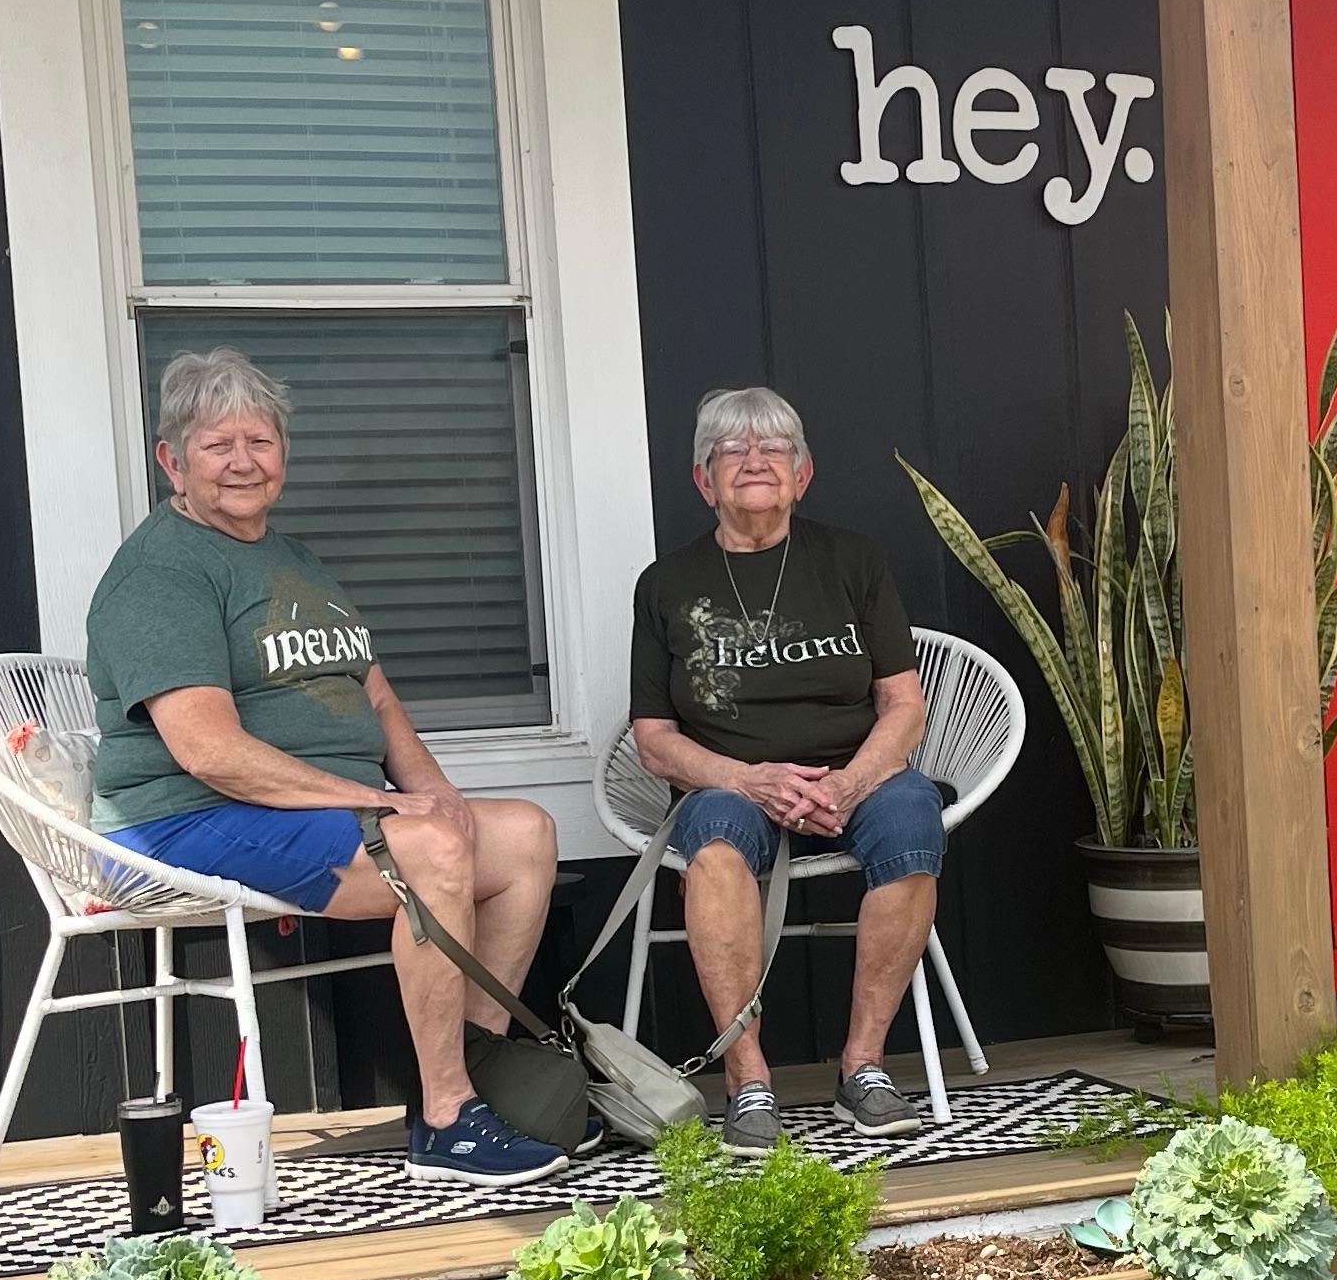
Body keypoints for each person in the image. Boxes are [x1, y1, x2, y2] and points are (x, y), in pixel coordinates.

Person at [86, 346, 567, 1188]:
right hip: (180, 820)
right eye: (216, 445)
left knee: (522, 834)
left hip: (302, 809)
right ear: (172, 459)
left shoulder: (293, 561)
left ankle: (473, 1072)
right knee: (429, 852)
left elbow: (376, 700)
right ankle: (448, 1120)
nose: (243, 462)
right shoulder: (162, 573)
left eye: (260, 442)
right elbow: (210, 752)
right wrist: (380, 807)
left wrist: (436, 795)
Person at [629, 385, 942, 1147]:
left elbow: (903, 703)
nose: (754, 461)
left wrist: (851, 782)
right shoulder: (666, 584)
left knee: (912, 823)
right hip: (728, 782)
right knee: (713, 851)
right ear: (703, 480)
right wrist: (747, 778)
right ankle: (749, 1078)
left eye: (773, 448)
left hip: (852, 775)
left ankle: (861, 1066)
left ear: (803, 474)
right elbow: (653, 736)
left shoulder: (852, 560)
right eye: (731, 450)